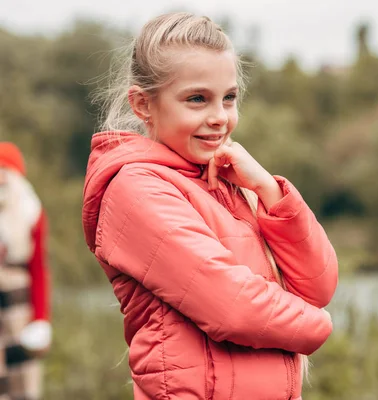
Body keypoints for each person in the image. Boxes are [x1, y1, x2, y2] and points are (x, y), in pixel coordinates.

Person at [81, 12, 338, 400]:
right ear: (142, 104)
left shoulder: (229, 182)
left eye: (229, 98)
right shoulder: (135, 189)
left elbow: (318, 285)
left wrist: (268, 189)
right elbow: (231, 307)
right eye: (197, 99)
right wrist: (320, 327)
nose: (219, 118)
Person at [0, 142, 51, 400]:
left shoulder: (30, 210)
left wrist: (41, 318)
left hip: (19, 309)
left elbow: (39, 268)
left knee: (23, 378)